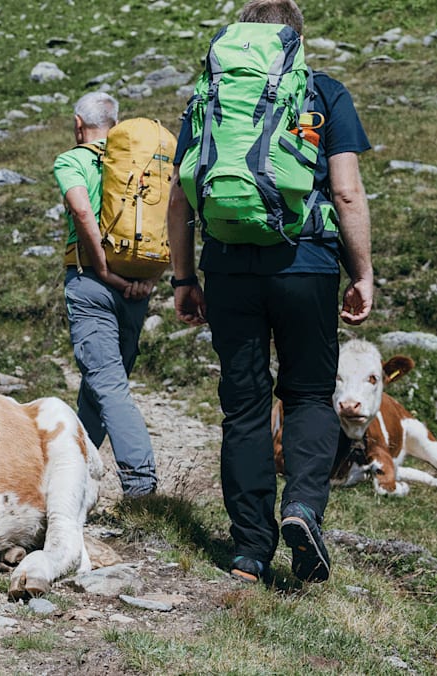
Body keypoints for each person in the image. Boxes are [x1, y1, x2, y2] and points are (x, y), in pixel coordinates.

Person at [167, 0, 374, 583]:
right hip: (306, 263)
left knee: (246, 407)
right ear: (294, 40)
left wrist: (185, 279)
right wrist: (362, 272)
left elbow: (181, 197)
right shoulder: (322, 91)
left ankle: (250, 551)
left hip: (229, 268)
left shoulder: (206, 98)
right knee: (308, 395)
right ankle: (304, 506)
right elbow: (349, 192)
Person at [52, 91, 159, 498]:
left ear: (79, 124)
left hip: (92, 284)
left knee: (108, 385)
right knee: (99, 386)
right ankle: (73, 474)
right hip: (138, 284)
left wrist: (102, 268)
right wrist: (146, 279)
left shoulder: (73, 160)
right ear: (115, 124)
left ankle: (141, 483)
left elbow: (81, 211)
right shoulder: (140, 164)